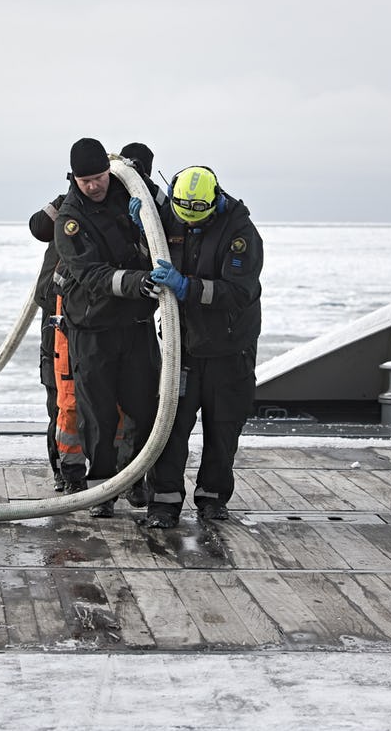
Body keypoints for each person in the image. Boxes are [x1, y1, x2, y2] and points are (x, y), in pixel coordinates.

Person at [141, 165, 262, 528]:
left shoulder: (240, 233)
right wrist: (139, 224)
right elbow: (149, 248)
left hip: (230, 350)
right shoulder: (170, 217)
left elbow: (239, 291)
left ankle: (212, 499)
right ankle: (163, 504)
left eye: (199, 218)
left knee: (223, 428)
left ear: (215, 201)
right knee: (170, 427)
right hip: (186, 347)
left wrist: (186, 287)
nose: (190, 225)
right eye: (184, 218)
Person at [54, 138, 162, 518]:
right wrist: (136, 282)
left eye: (99, 178)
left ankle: (136, 479)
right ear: (74, 179)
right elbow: (90, 274)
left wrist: (148, 210)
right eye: (85, 181)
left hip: (134, 326)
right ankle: (102, 493)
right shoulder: (69, 219)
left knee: (144, 407)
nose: (94, 186)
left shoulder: (128, 193)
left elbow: (167, 222)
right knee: (97, 415)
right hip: (93, 329)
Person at [29, 195, 68, 490]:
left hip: (102, 318)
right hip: (55, 314)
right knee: (58, 399)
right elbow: (39, 227)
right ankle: (64, 471)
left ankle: (119, 476)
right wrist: (66, 199)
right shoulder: (69, 205)